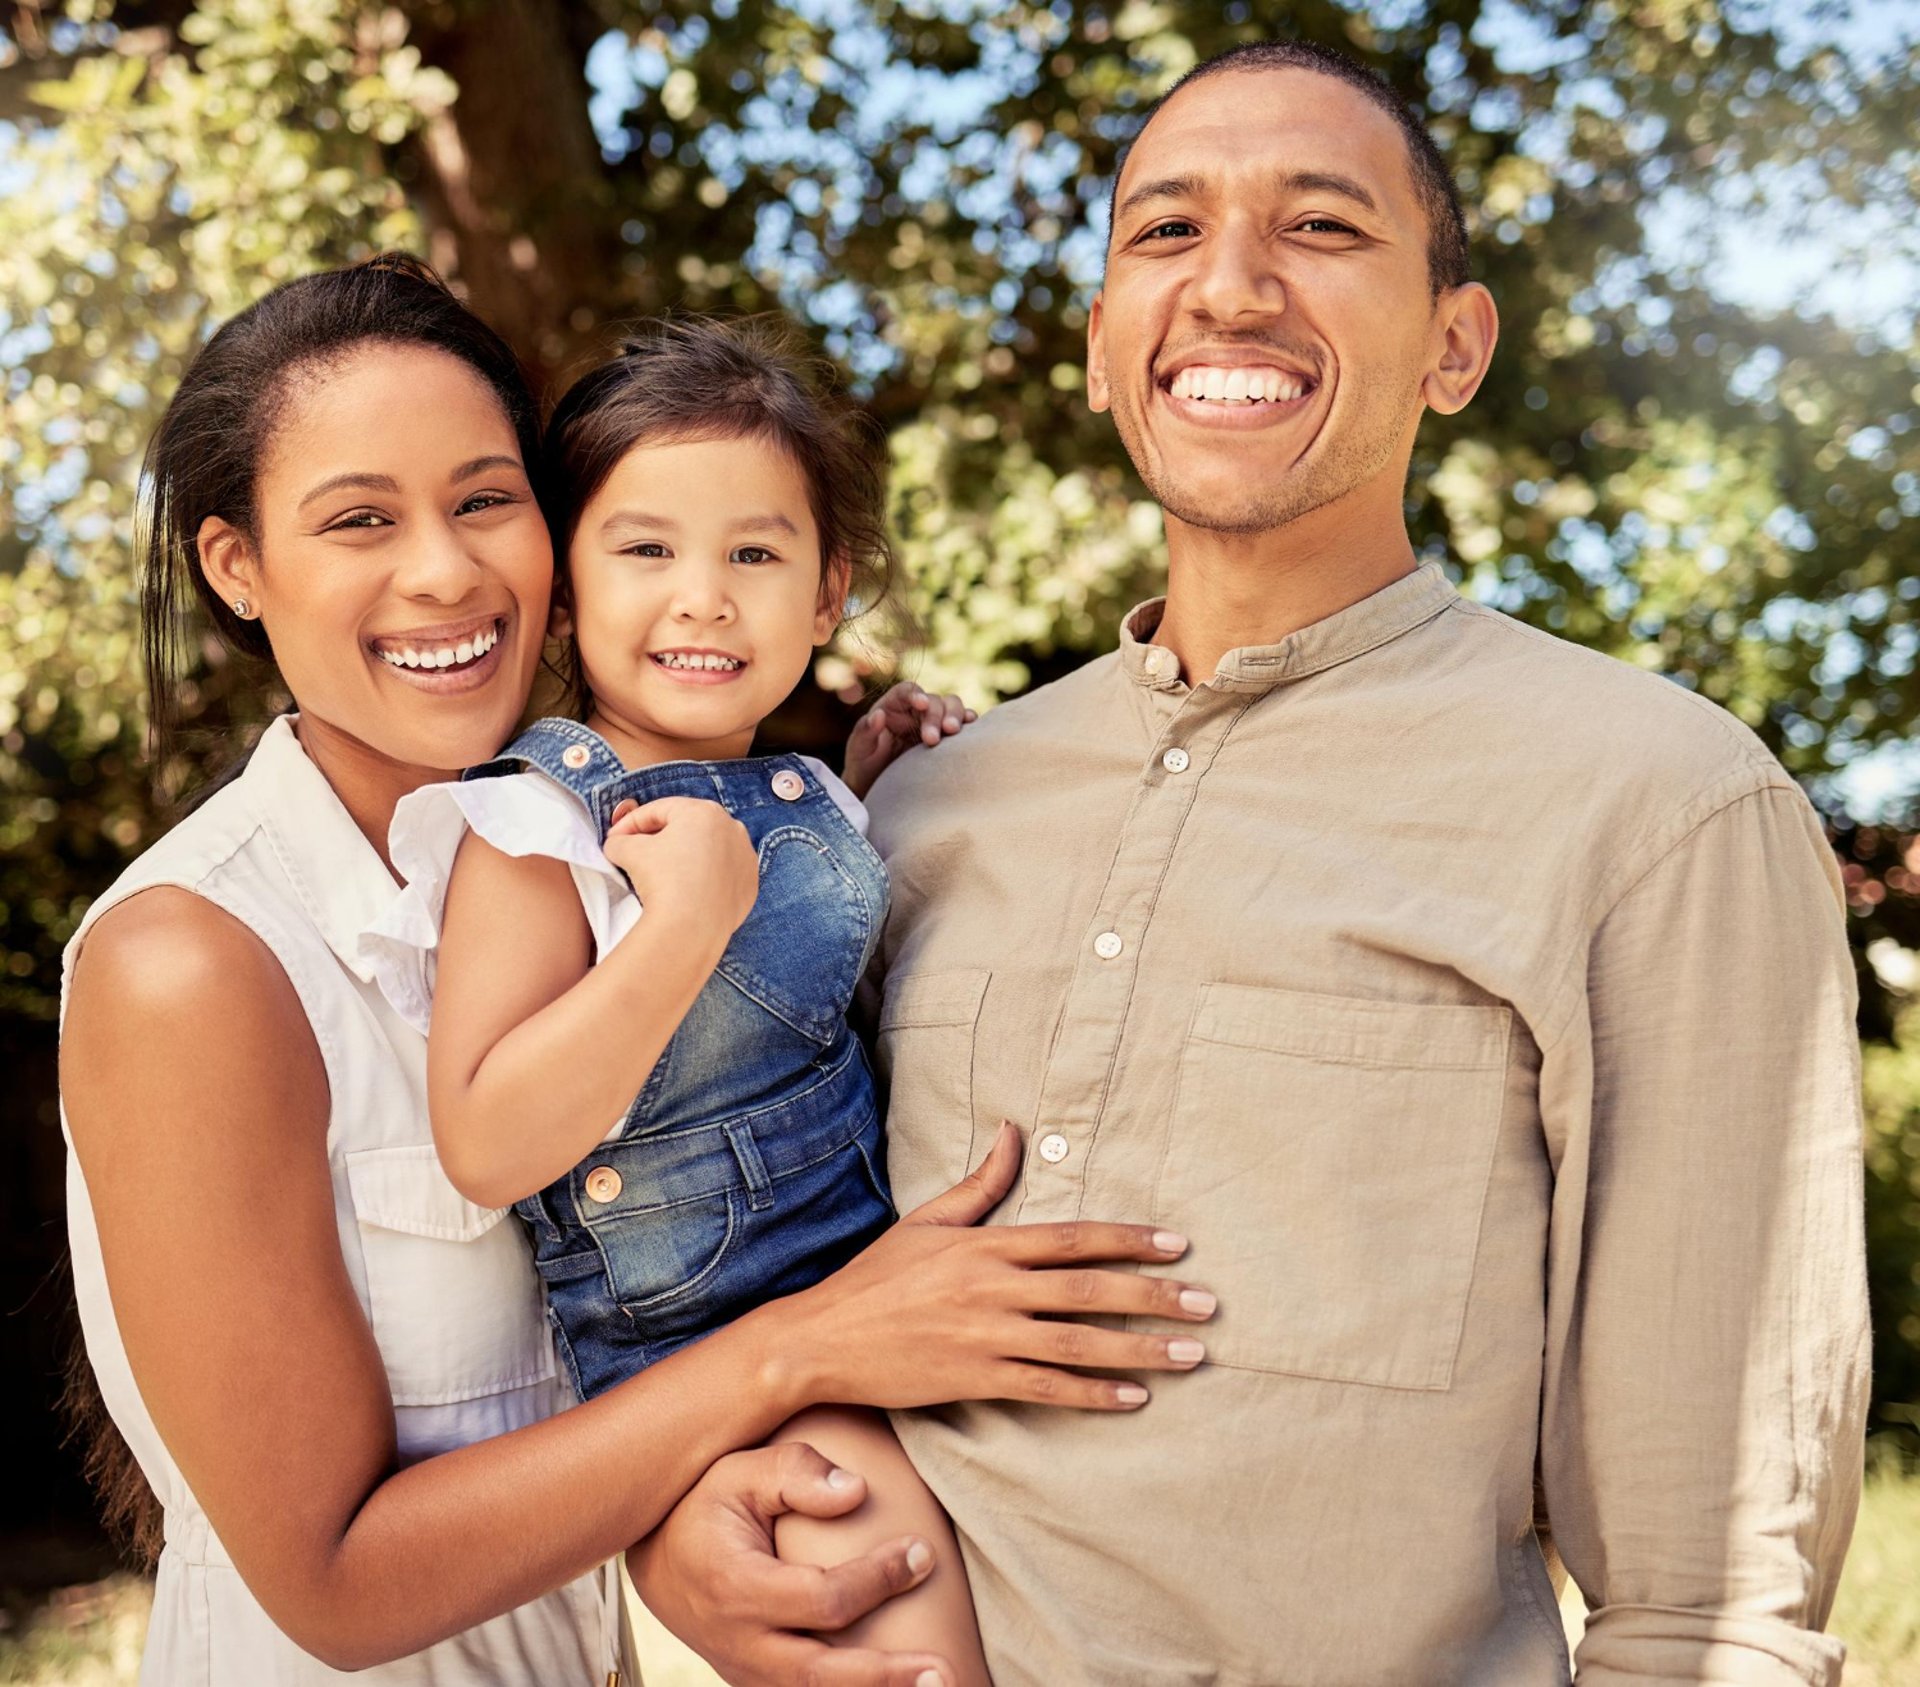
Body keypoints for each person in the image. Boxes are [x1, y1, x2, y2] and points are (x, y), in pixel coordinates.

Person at [631, 39, 1873, 1687]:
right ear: (1097, 349)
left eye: (1322, 228)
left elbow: (1715, 1602)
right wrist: (669, 1522)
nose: (1227, 287)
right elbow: (704, 1264)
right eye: (1164, 233)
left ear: (1454, 345)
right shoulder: (921, 817)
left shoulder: (1662, 809)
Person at [58, 255, 1217, 1686]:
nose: (445, 570)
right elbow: (341, 1585)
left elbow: (588, 1365)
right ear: (238, 567)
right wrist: (812, 1347)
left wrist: (679, 1528)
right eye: (359, 520)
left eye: (487, 500)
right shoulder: (190, 957)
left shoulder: (577, 851)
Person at [375, 316, 1121, 1680]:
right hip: (710, 1364)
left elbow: (822, 991)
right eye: (646, 549)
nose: (704, 597)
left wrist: (875, 787)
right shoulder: (537, 825)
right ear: (560, 583)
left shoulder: (808, 786)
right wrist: (682, 930)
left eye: (755, 555)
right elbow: (487, 1141)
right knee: (911, 1650)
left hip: (885, 1291)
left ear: (827, 594)